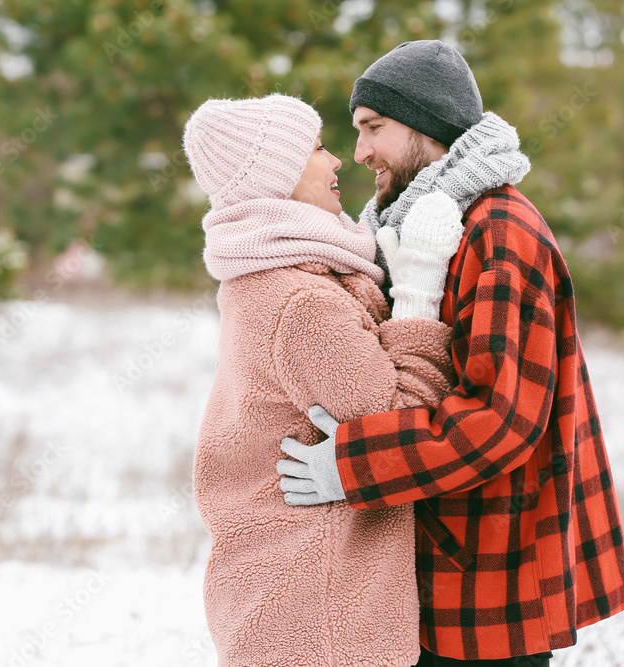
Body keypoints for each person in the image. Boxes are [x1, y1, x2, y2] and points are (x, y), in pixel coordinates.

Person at [277, 41, 624, 666]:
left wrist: (356, 466)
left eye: (373, 128)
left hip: (490, 573)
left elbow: (502, 419)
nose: (359, 151)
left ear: (425, 126)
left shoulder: (500, 234)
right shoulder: (425, 224)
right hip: (436, 559)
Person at [184, 93, 468, 667]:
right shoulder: (304, 300)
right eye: (316, 149)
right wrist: (415, 300)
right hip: (319, 603)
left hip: (283, 586)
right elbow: (400, 424)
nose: (338, 160)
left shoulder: (261, 274)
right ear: (278, 177)